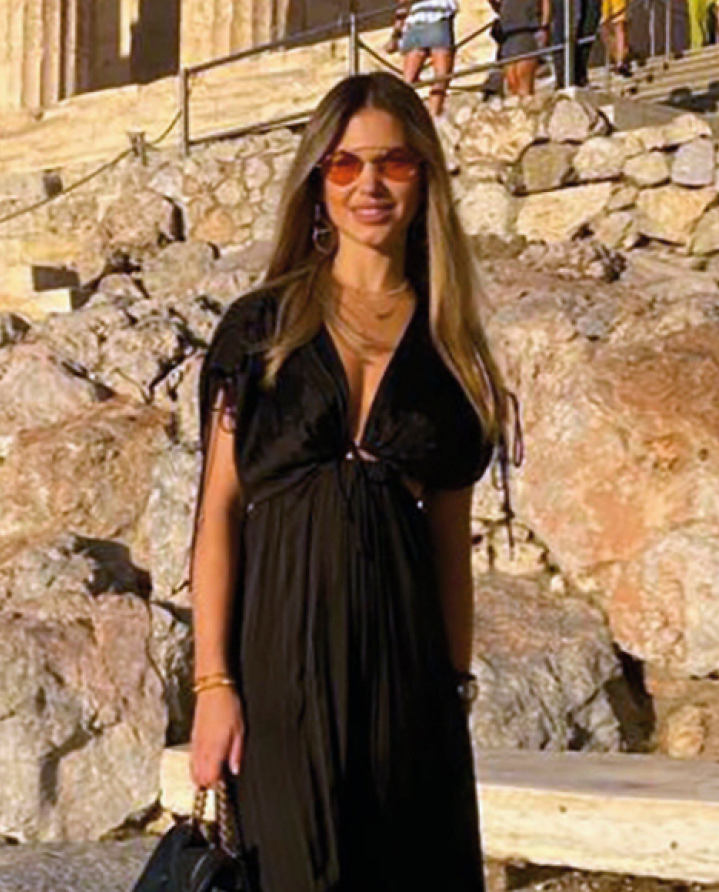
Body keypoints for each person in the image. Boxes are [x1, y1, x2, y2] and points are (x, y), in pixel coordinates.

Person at [190, 71, 517, 892]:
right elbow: (219, 511)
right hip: (278, 672)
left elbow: (449, 544)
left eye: (394, 163)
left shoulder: (451, 351)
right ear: (318, 182)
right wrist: (213, 684)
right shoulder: (261, 328)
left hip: (409, 679)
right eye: (345, 164)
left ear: (425, 179)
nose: (369, 185)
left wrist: (454, 691)